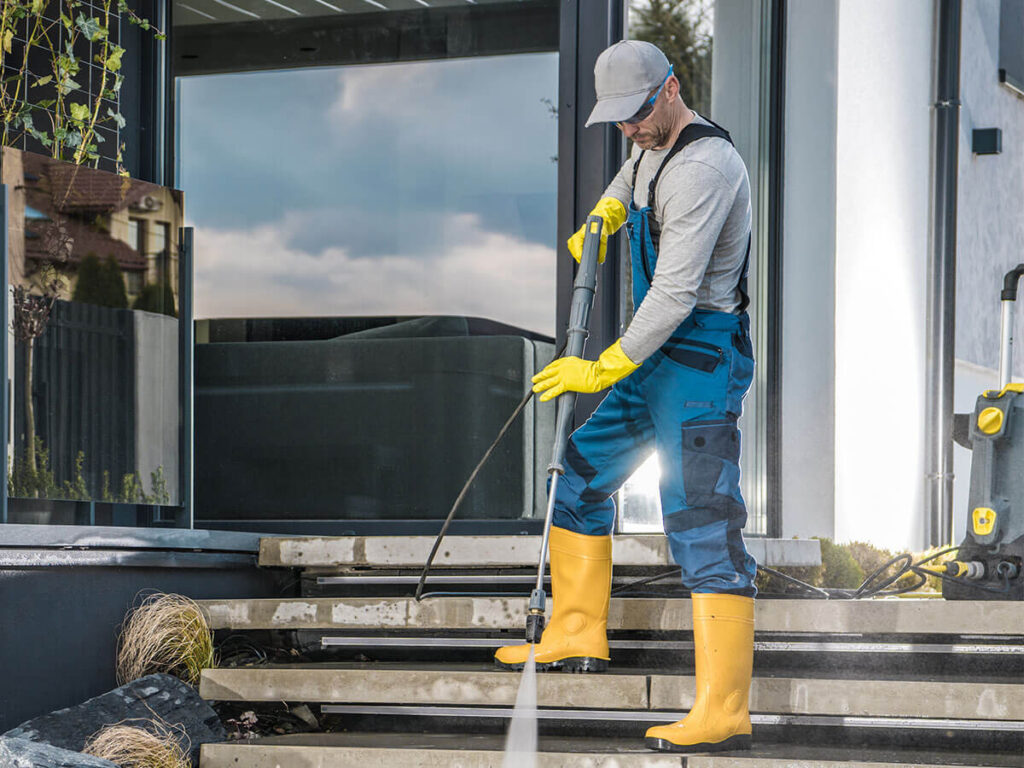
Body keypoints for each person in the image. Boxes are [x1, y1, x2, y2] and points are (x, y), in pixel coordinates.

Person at [494, 40, 757, 754]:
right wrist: (605, 214)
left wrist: (602, 368)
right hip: (652, 360)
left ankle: (724, 708)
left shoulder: (704, 166)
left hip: (698, 358)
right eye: (619, 122)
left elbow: (673, 293)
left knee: (702, 518)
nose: (630, 131)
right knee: (579, 476)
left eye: (638, 115)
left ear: (670, 91)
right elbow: (628, 178)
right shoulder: (647, 146)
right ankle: (577, 630)